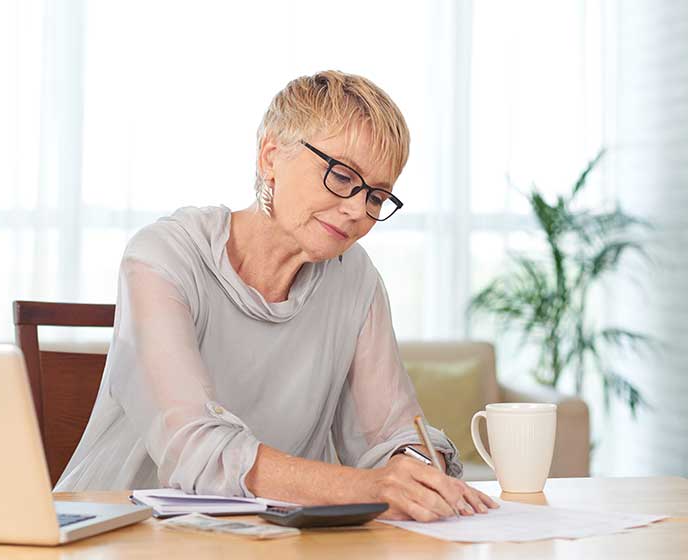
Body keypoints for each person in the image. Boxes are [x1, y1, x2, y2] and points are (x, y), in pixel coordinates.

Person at [55, 70, 498, 521]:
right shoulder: (164, 256)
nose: (357, 210)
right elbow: (194, 449)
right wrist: (370, 486)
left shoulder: (355, 276)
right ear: (271, 156)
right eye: (342, 176)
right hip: (115, 532)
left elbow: (395, 431)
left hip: (266, 539)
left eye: (377, 196)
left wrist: (419, 469)